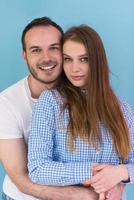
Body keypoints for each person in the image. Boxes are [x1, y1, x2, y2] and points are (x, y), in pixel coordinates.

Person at [28, 25, 134, 200]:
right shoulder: (51, 102)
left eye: (84, 59)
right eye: (68, 59)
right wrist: (96, 173)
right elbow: (38, 168)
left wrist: (119, 173)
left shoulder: (123, 109)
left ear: (97, 61)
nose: (74, 68)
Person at [0, 17, 100, 200]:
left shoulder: (84, 89)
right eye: (36, 50)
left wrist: (115, 181)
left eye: (54, 48)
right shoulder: (6, 103)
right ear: (25, 56)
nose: (46, 58)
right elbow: (20, 177)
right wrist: (77, 195)